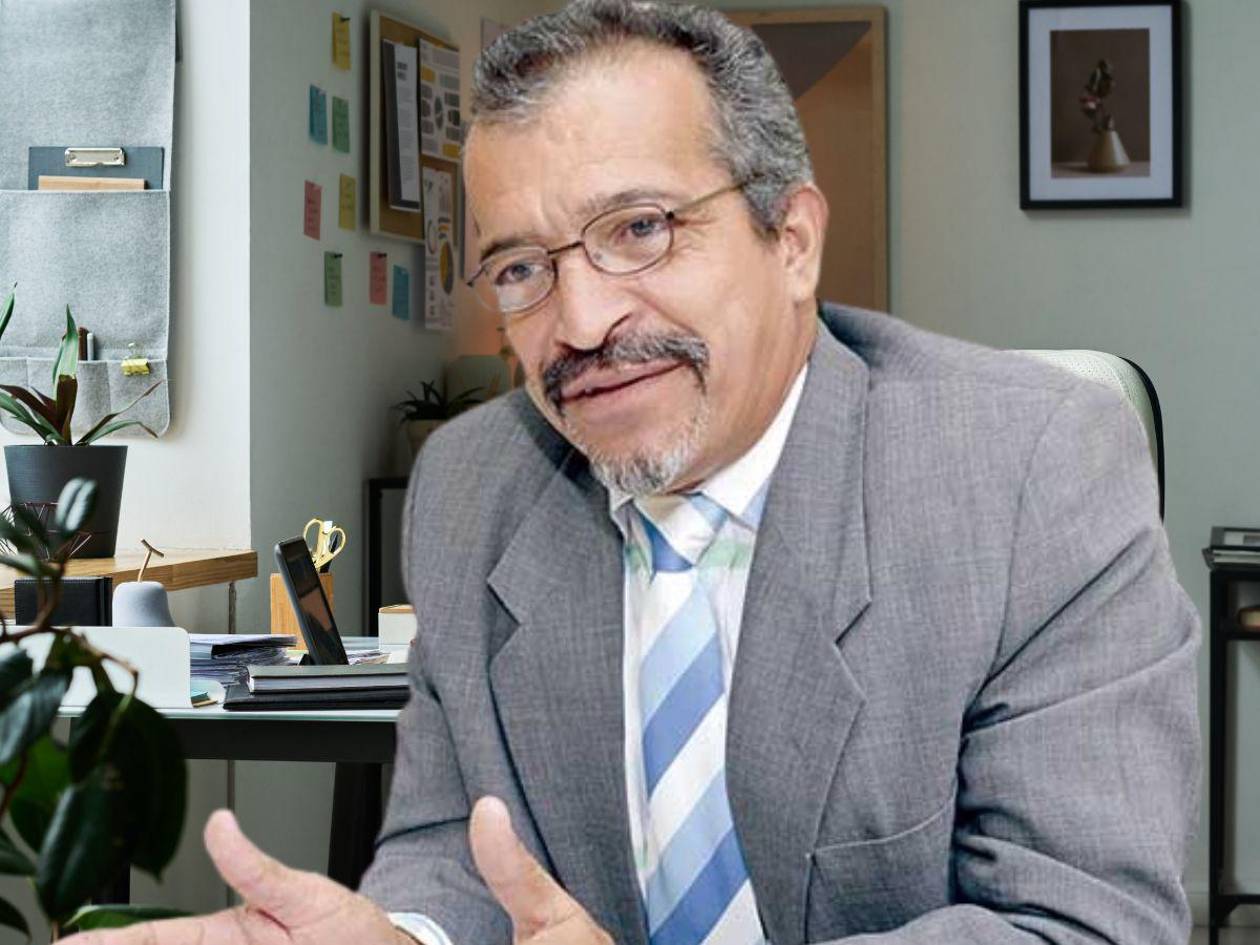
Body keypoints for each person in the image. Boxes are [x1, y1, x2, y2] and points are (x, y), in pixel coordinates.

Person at [66, 0, 1200, 943]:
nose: (581, 321)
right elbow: (459, 842)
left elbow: (1082, 923)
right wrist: (404, 938)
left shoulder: (1033, 468)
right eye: (522, 267)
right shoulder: (471, 488)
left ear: (792, 241)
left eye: (640, 228)